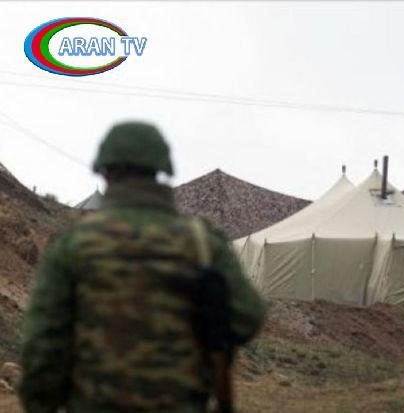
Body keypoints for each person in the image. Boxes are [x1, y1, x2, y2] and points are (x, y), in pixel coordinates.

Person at [18, 121, 266, 412]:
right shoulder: (202, 243)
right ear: (162, 171)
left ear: (105, 172)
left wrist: (42, 404)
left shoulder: (73, 245)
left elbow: (43, 345)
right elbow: (248, 317)